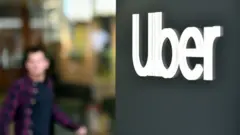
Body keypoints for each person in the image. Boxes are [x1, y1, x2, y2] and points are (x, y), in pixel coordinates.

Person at [0, 46, 87, 135]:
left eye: (39, 61)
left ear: (46, 64)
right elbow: (5, 116)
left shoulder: (48, 84)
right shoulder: (19, 86)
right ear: (27, 65)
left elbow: (54, 110)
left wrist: (75, 127)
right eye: (31, 61)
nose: (35, 65)